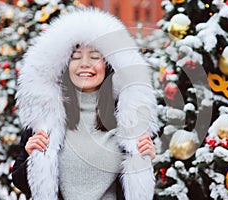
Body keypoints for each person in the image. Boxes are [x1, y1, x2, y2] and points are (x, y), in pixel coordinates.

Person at [12, 7, 159, 200]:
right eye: (76, 57)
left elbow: (135, 190)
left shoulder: (127, 118)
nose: (85, 64)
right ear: (64, 65)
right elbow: (21, 181)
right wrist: (33, 157)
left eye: (95, 57)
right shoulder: (47, 118)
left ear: (108, 65)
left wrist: (145, 160)